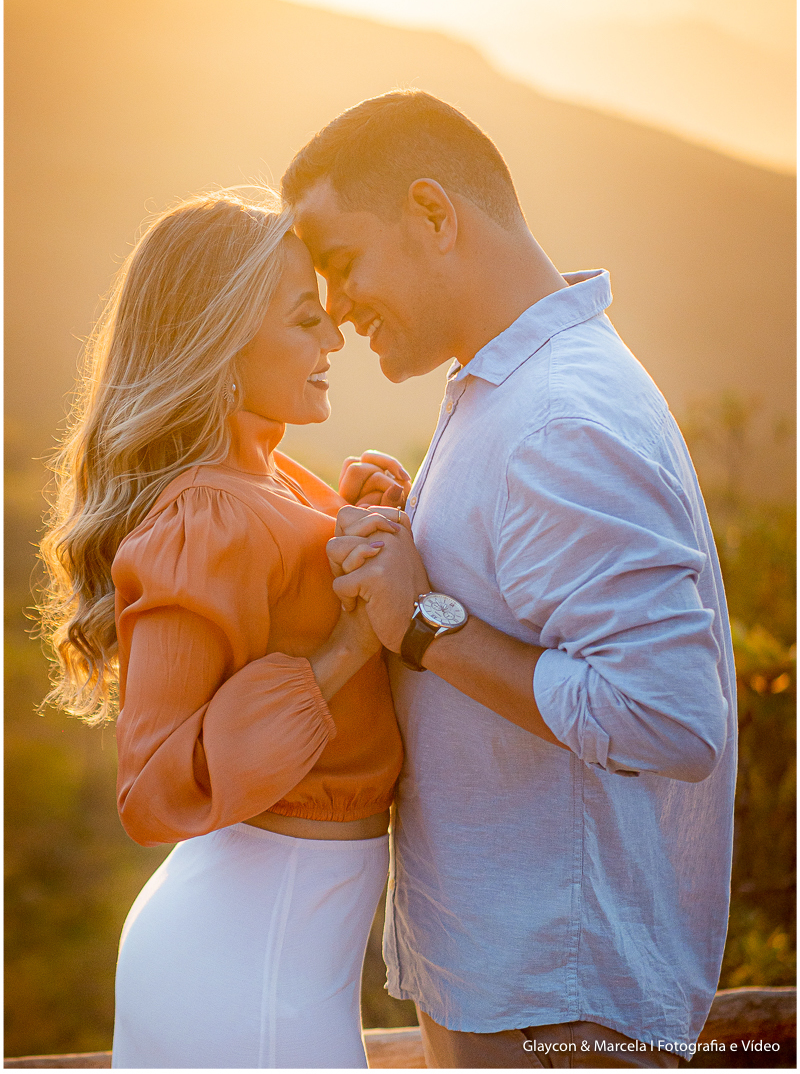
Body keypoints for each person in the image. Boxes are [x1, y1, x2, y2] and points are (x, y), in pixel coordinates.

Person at [281, 90, 737, 1069]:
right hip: (515, 991)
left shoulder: (559, 417)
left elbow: (668, 719)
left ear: (432, 213)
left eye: (342, 263)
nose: (335, 308)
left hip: (557, 1015)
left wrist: (424, 623)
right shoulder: (511, 390)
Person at [37, 190, 413, 1069]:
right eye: (306, 319)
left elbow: (285, 606)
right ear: (222, 344)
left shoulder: (274, 481)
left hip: (280, 955)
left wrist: (360, 521)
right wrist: (346, 648)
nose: (334, 339)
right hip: (245, 969)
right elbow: (152, 784)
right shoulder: (204, 515)